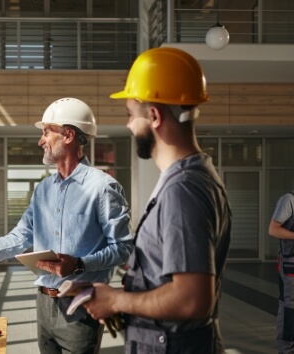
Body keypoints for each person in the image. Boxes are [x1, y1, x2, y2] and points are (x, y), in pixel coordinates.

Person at [0, 97, 134, 354]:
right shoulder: (43, 190)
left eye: (46, 132)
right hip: (43, 303)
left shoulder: (102, 187)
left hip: (81, 305)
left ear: (68, 135)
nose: (40, 140)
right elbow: (18, 238)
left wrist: (79, 264)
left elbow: (123, 248)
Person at [83, 47, 232, 354]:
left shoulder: (183, 189)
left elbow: (191, 299)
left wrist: (116, 300)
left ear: (153, 116)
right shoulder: (188, 179)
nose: (127, 125)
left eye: (129, 114)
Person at [269, 189, 294, 353]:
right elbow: (273, 229)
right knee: (290, 312)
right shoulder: (289, 200)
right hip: (292, 269)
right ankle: (287, 350)